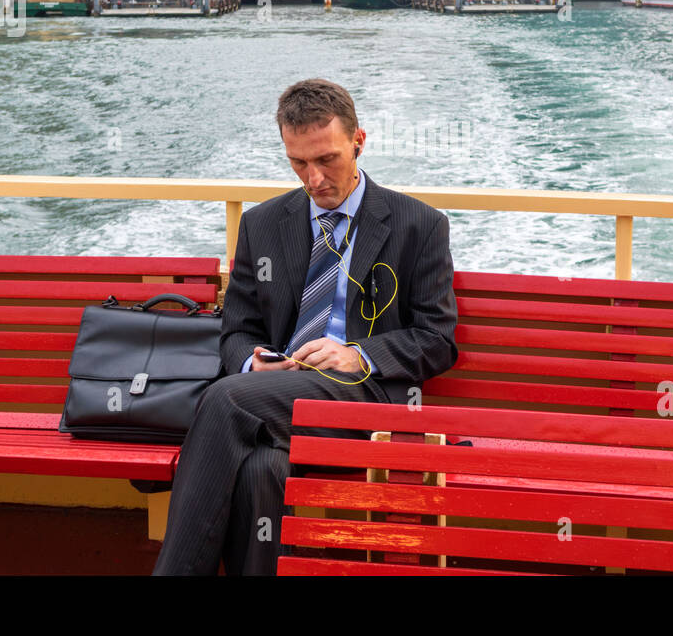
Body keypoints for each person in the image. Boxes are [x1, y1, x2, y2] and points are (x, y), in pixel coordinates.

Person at [152, 79, 458, 575]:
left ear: (360, 139)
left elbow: (437, 340)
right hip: (274, 401)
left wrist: (358, 355)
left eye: (327, 159)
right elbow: (237, 332)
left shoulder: (418, 225)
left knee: (227, 399)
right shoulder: (263, 224)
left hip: (367, 397)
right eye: (298, 163)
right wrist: (253, 361)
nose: (314, 179)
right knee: (260, 469)